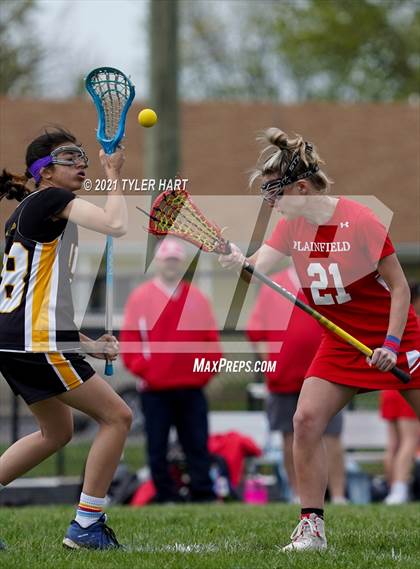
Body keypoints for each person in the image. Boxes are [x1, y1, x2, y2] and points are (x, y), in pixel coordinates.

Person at [220, 128, 420, 551]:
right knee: (305, 420)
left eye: (275, 192)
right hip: (341, 341)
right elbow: (256, 270)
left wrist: (389, 344)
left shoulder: (361, 220)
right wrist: (237, 260)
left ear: (302, 188)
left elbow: (400, 288)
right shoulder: (291, 227)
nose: (270, 203)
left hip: (395, 335)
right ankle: (312, 529)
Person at [0, 127, 132, 550]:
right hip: (33, 341)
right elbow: (116, 224)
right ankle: (87, 525)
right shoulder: (51, 200)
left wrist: (87, 345)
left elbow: (41, 299)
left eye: (82, 157)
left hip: (17, 339)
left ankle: (87, 524)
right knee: (118, 417)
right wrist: (114, 174)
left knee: (56, 432)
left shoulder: (33, 212)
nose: (81, 164)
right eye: (69, 157)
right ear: (44, 171)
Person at [120, 237, 222, 503]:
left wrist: (203, 372)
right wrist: (147, 370)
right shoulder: (140, 297)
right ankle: (165, 495)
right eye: (167, 260)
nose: (171, 265)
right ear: (158, 262)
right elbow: (130, 342)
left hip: (191, 387)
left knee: (197, 443)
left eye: (176, 260)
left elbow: (211, 341)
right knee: (157, 445)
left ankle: (203, 494)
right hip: (155, 390)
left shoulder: (197, 298)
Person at [246, 265, 347, 504]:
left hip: (326, 374)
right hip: (284, 377)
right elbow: (256, 332)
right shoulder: (273, 285)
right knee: (290, 436)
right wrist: (270, 365)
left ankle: (339, 495)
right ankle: (297, 493)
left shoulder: (328, 281)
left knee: (331, 435)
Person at [380, 282, 420, 504]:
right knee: (410, 440)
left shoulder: (392, 321)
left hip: (390, 387)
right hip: (407, 383)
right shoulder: (413, 321)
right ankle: (399, 488)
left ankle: (392, 489)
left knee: (394, 443)